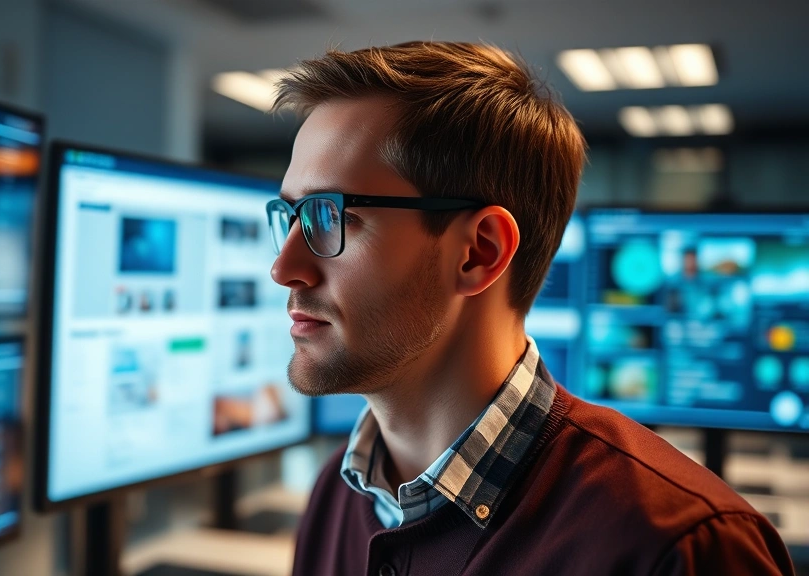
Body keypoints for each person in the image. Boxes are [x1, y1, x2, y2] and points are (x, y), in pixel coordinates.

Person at [265, 42, 794, 576]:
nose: (284, 267)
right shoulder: (337, 495)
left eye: (327, 216)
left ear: (479, 252)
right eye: (289, 216)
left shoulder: (680, 545)